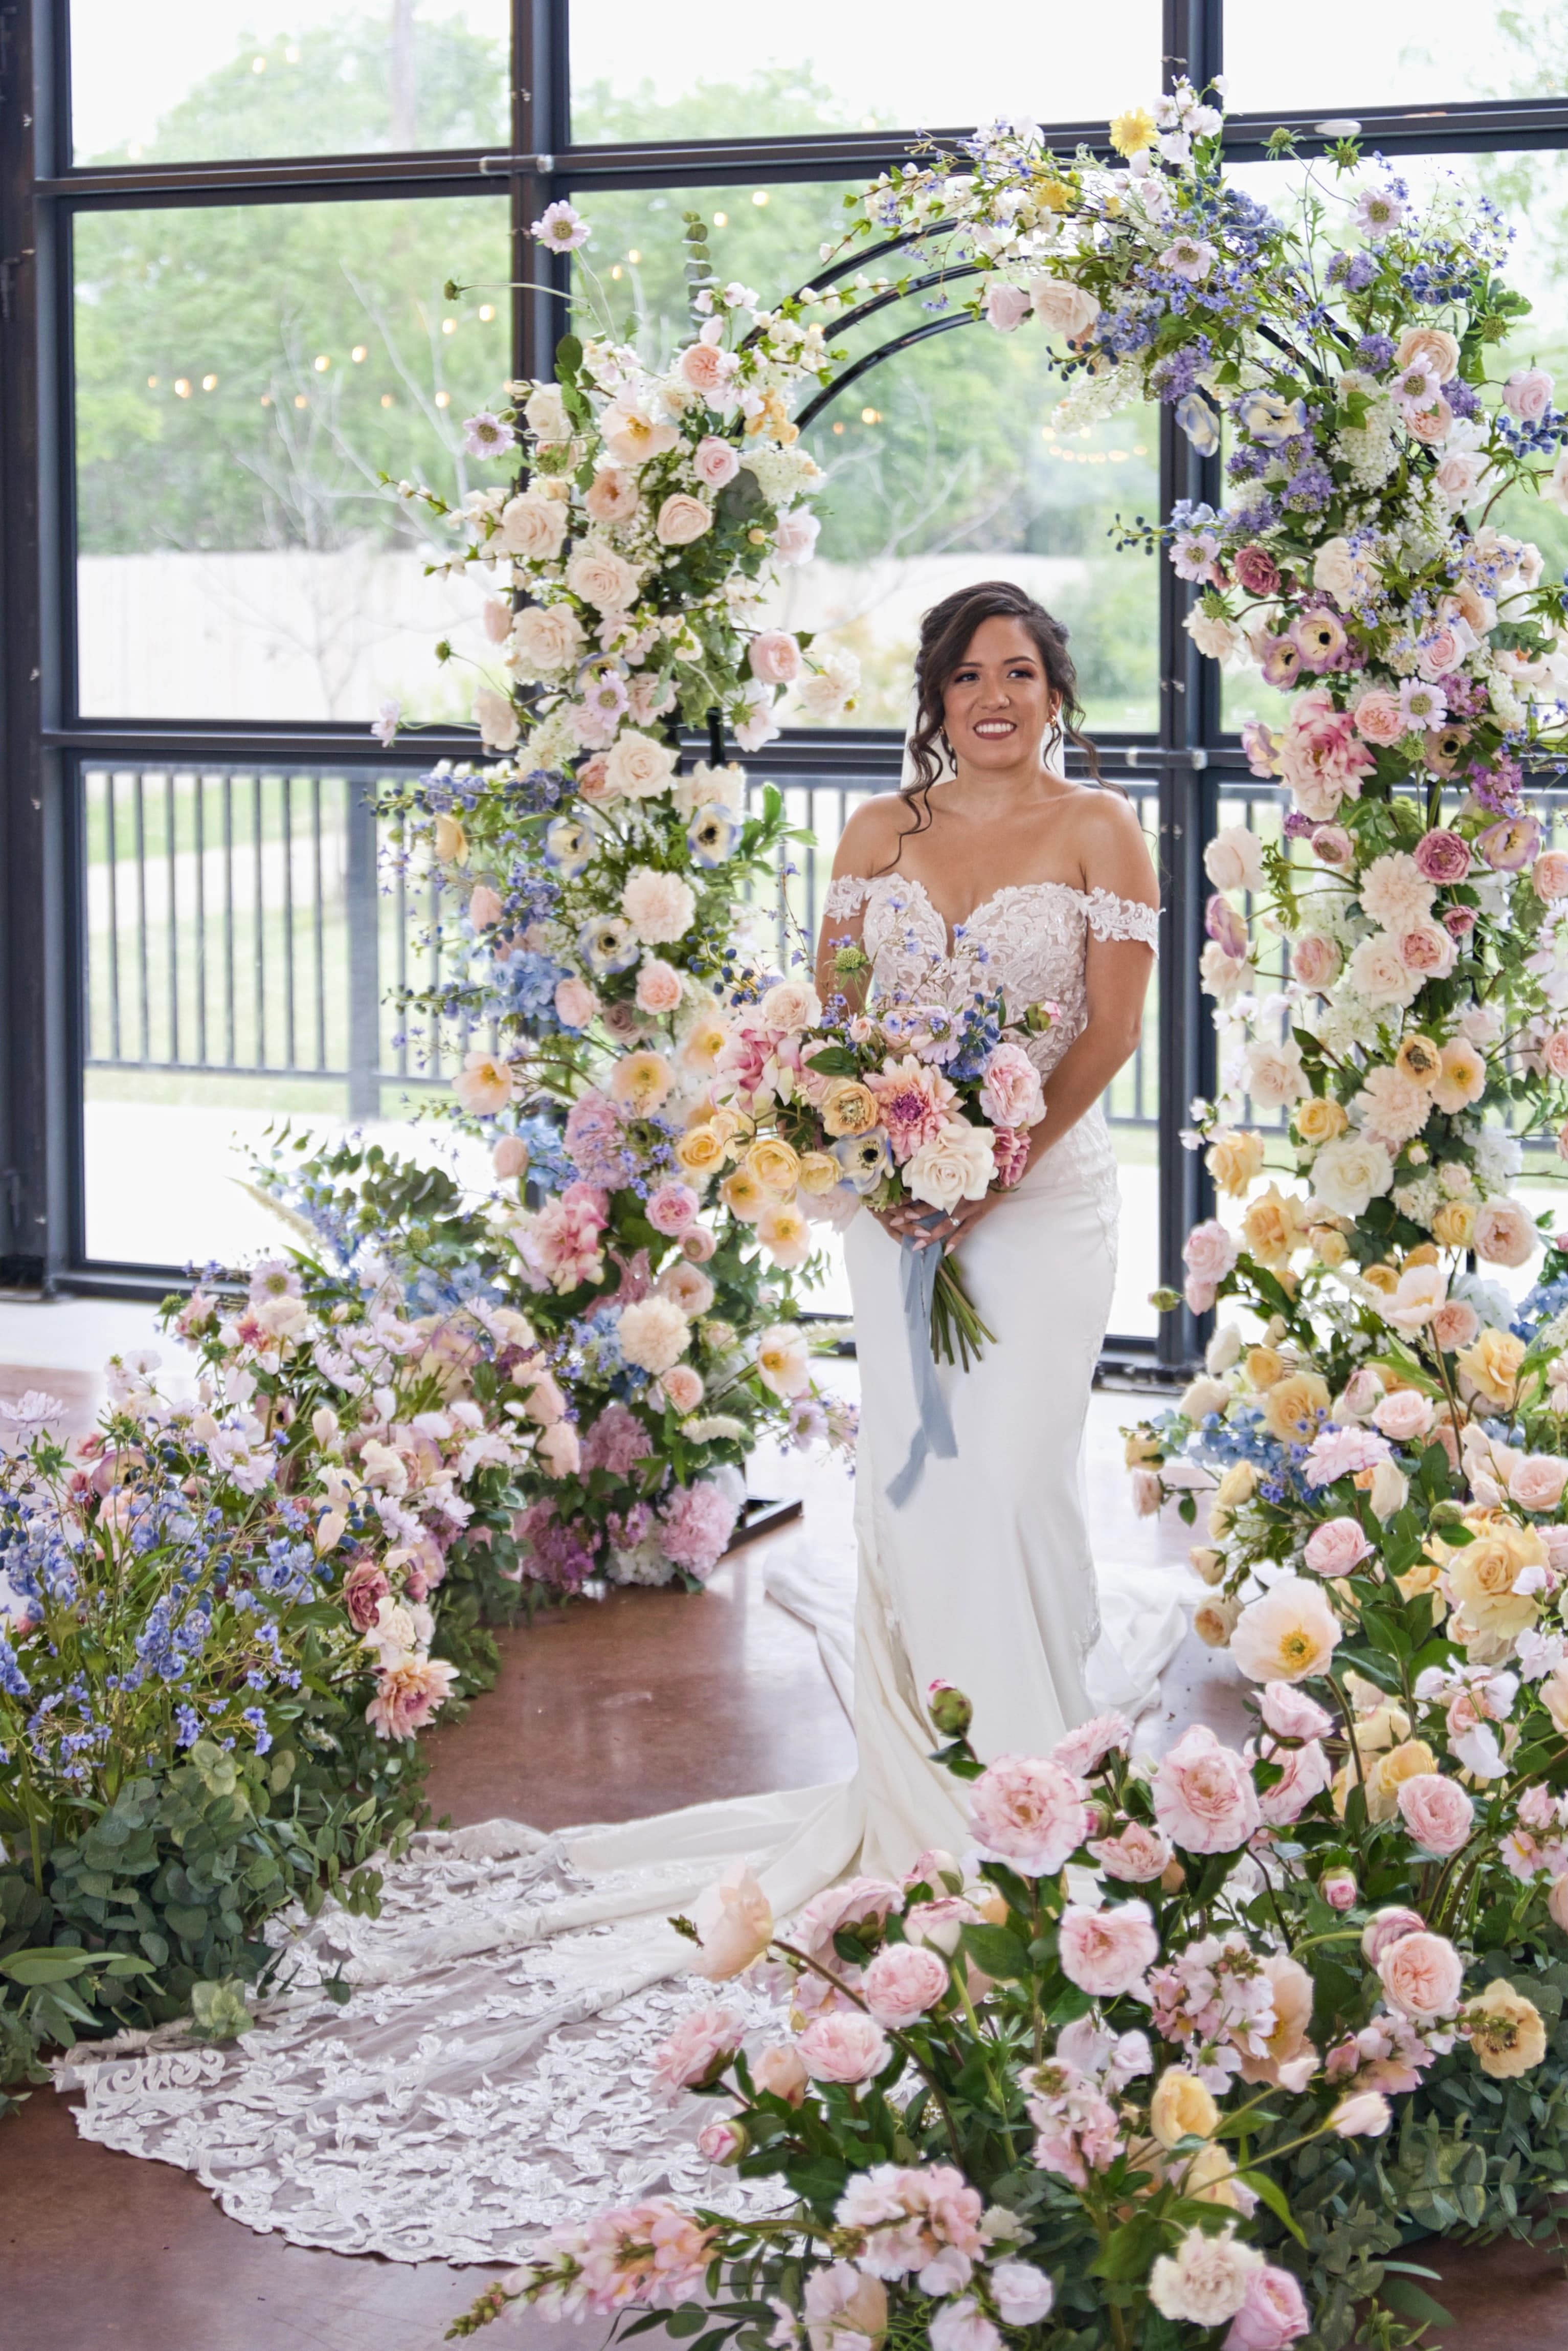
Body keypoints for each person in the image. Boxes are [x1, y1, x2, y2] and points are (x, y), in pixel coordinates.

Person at [58, 584, 1190, 2266]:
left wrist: (1004, 1156)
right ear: (936, 695)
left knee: (1016, 1483)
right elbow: (828, 1032)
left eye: (1022, 672)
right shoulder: (879, 826)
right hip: (898, 1205)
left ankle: (1037, 1802)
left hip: (1046, 1202)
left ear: (1056, 688)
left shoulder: (1105, 830)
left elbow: (1106, 1034)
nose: (996, 697)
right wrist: (889, 1149)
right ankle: (933, 1802)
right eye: (969, 674)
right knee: (913, 1489)